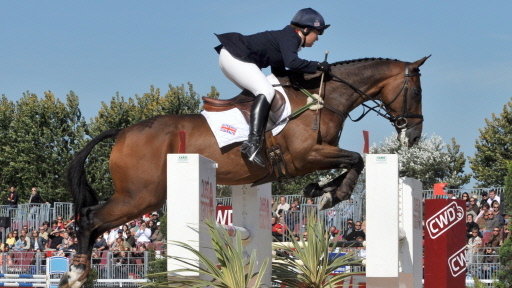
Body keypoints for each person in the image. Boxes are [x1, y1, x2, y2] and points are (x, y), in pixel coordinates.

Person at [214, 8, 330, 166]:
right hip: (234, 57)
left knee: (263, 92)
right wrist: (317, 66)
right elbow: (292, 63)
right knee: (266, 91)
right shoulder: (291, 37)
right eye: (318, 33)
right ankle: (252, 144)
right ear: (305, 29)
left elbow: (279, 71)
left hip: (231, 57)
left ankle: (240, 133)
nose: (317, 38)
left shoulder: (286, 38)